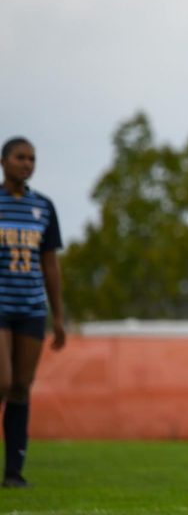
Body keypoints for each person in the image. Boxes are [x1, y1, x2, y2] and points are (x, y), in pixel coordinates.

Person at [0, 137, 66, 488]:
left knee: (22, 387)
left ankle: (13, 472)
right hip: (0, 305)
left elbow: (50, 264)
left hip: (30, 307)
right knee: (2, 380)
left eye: (31, 158)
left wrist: (58, 315)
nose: (26, 164)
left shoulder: (43, 207)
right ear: (3, 161)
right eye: (20, 157)